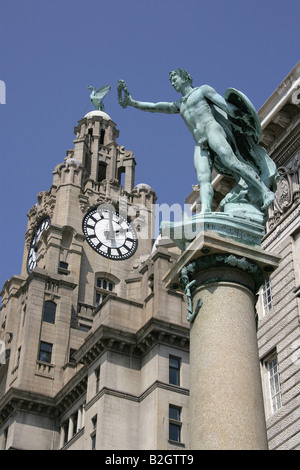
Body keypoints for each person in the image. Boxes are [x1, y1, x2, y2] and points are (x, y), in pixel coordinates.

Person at [118, 69, 275, 213]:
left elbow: (225, 106)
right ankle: (206, 212)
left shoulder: (202, 90)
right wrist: (132, 102)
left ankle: (264, 191)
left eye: (175, 78)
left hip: (212, 130)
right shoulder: (179, 104)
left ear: (186, 78)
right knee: (203, 178)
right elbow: (156, 107)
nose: (173, 82)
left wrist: (242, 117)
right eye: (171, 80)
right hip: (200, 142)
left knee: (232, 162)